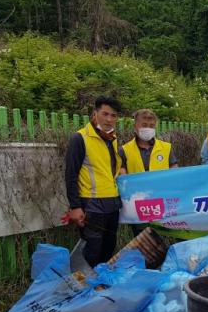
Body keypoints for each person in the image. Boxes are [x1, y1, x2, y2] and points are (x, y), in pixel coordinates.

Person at [64, 96, 123, 267]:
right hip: (92, 205)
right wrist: (75, 207)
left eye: (113, 115)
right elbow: (70, 174)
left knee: (108, 248)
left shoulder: (111, 139)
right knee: (93, 251)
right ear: (95, 113)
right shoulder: (80, 138)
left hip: (112, 204)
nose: (109, 119)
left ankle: (100, 286)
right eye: (105, 114)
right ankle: (87, 289)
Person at [119, 108, 179, 174]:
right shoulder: (124, 150)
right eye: (144, 125)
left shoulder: (167, 148)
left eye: (151, 126)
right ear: (135, 127)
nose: (148, 128)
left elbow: (174, 174)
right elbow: (123, 179)